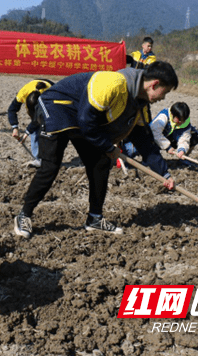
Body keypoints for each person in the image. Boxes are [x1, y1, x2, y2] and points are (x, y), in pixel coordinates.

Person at [13, 61, 179, 239]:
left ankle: (94, 218)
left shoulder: (141, 103)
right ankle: (24, 214)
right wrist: (108, 146)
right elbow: (87, 122)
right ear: (154, 84)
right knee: (51, 166)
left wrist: (164, 174)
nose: (163, 98)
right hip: (57, 106)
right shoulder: (113, 84)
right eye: (165, 92)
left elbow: (144, 141)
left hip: (82, 115)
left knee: (100, 162)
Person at [122, 102, 198, 161]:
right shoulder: (163, 117)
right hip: (152, 139)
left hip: (169, 138)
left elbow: (184, 138)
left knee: (194, 138)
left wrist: (182, 150)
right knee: (130, 150)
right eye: (179, 119)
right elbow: (155, 133)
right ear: (172, 114)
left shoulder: (185, 124)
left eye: (183, 120)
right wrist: (167, 147)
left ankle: (183, 160)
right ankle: (120, 157)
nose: (180, 122)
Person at [8, 79, 54, 168]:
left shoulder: (49, 95)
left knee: (48, 128)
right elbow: (11, 110)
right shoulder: (23, 93)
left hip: (52, 101)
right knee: (34, 130)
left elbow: (38, 120)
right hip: (34, 95)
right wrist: (15, 127)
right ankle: (38, 159)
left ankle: (50, 159)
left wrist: (26, 133)